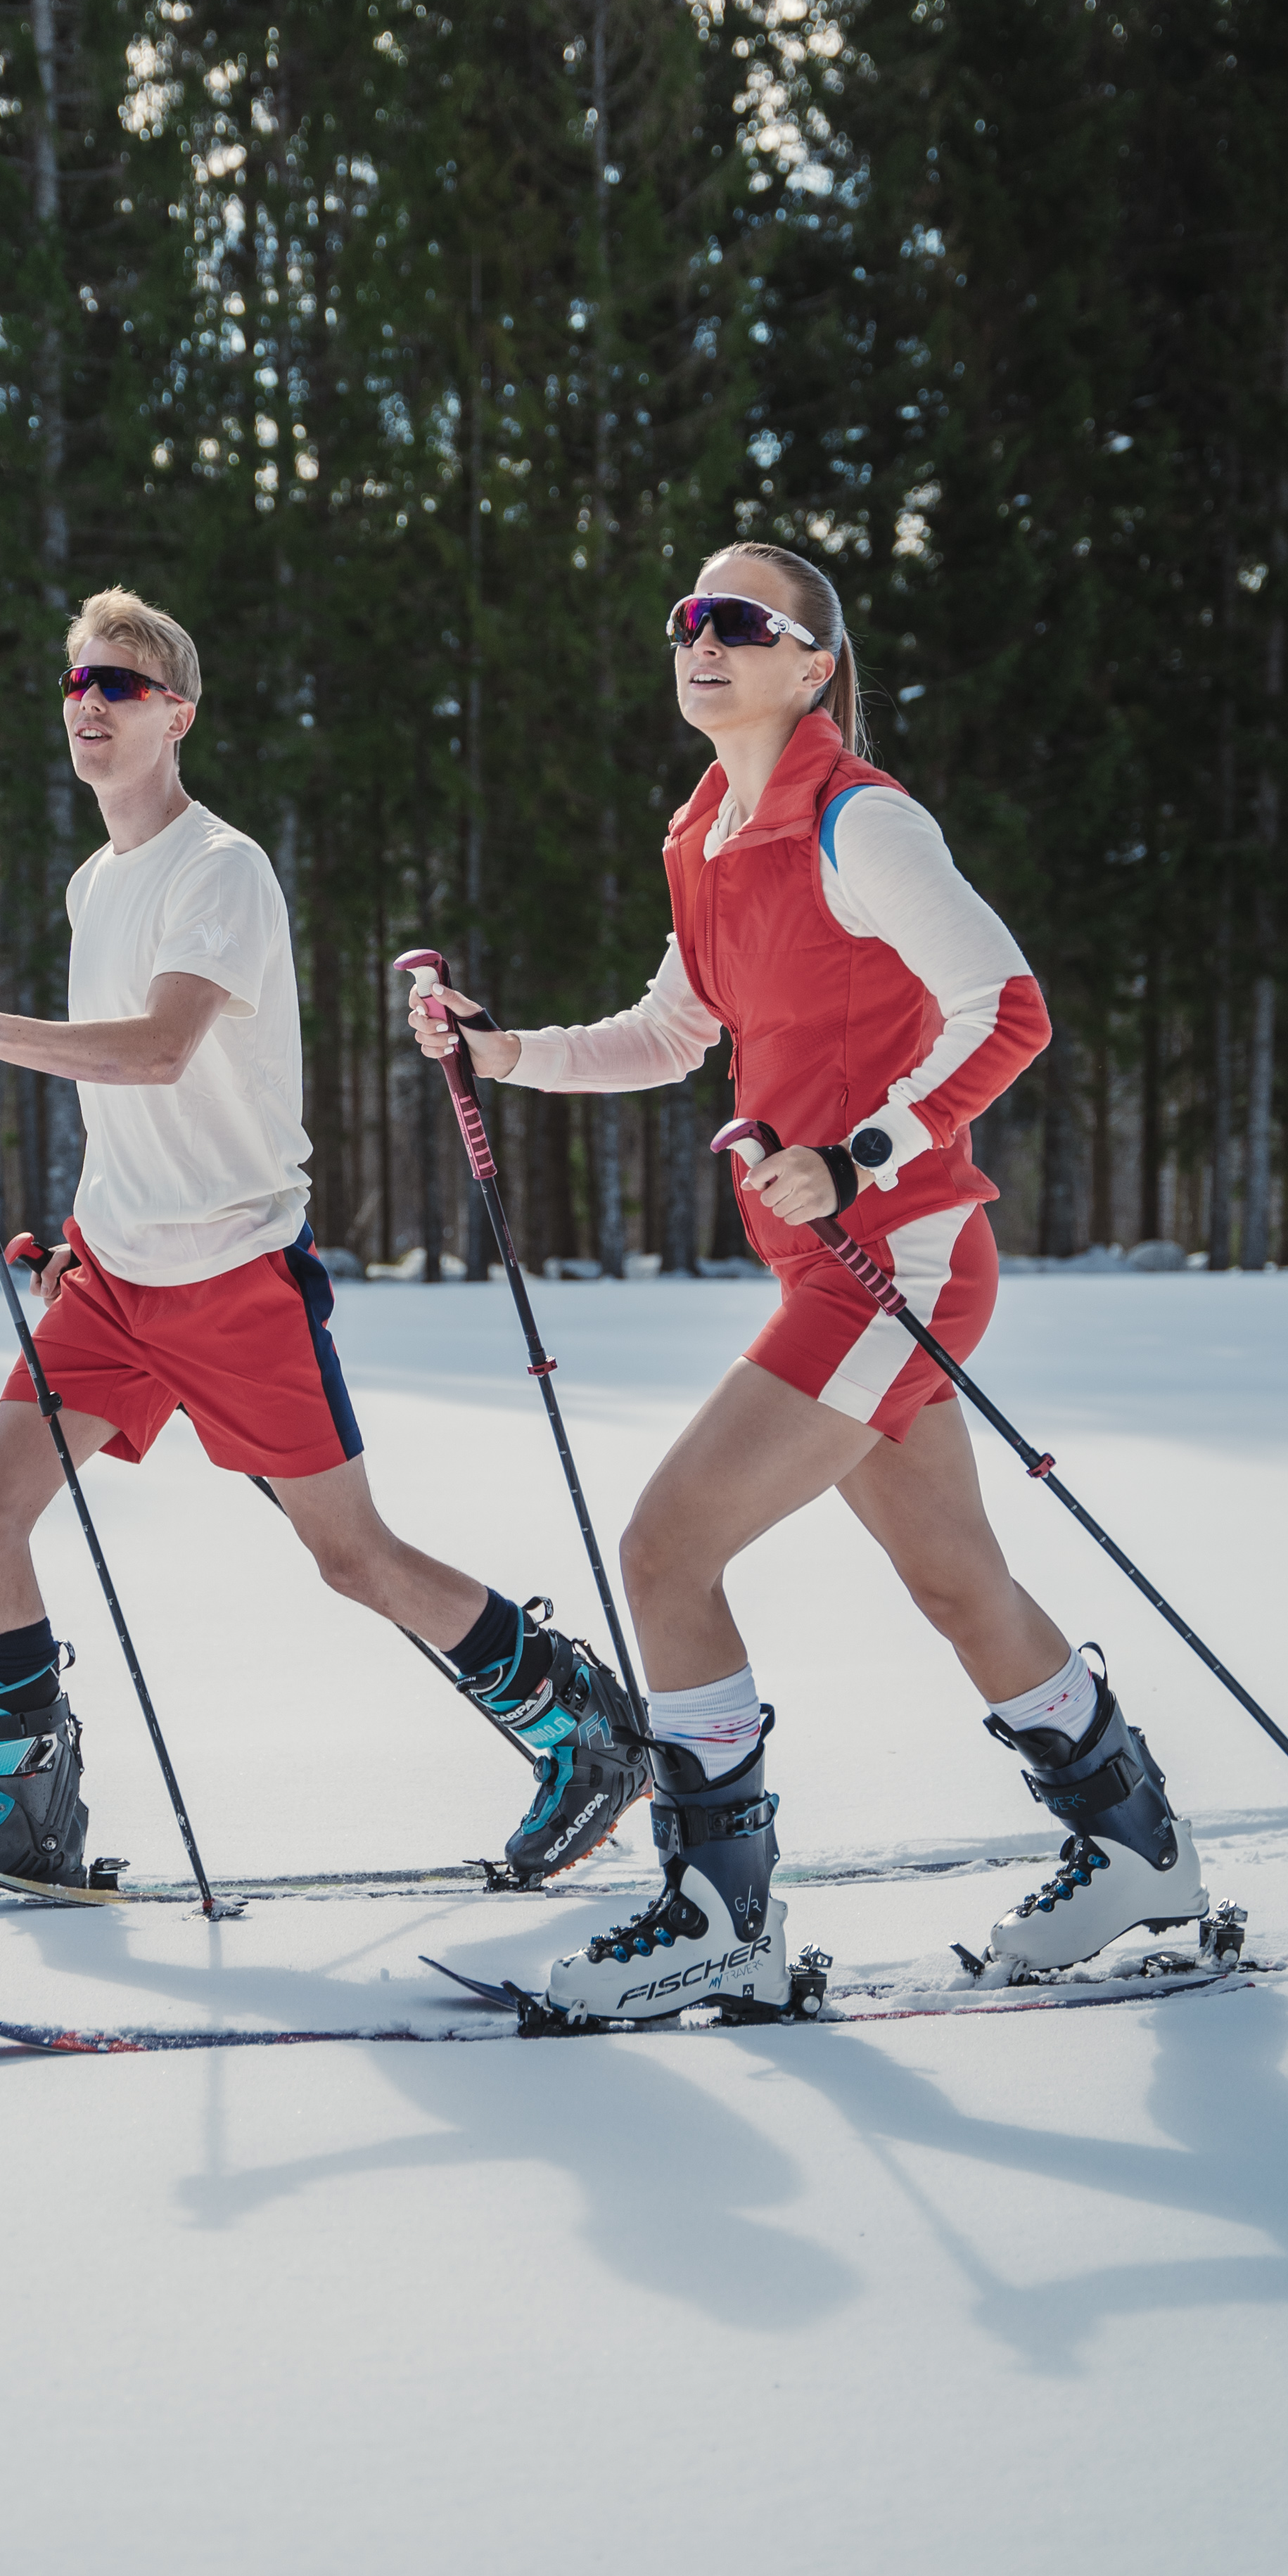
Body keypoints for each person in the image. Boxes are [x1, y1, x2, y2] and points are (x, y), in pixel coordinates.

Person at [408, 541, 1209, 2015]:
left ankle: (722, 1910)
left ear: (812, 665)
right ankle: (1134, 1841)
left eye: (739, 622)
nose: (699, 641)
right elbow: (670, 1031)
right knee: (960, 1581)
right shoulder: (709, 828)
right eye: (686, 619)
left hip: (887, 1257)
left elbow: (1009, 1011)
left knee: (664, 1551)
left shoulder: (861, 821)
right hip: (841, 1253)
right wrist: (504, 1050)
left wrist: (860, 1153)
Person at [0, 585, 645, 1901]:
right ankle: (25, 1810)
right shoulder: (91, 881)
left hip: (236, 1279)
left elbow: (162, 1051)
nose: (89, 707)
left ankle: (584, 1731)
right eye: (74, 685)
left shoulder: (220, 869)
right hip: (113, 1280)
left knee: (353, 1558)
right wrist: (78, 1239)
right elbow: (123, 1099)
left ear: (176, 712)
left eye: (117, 685)